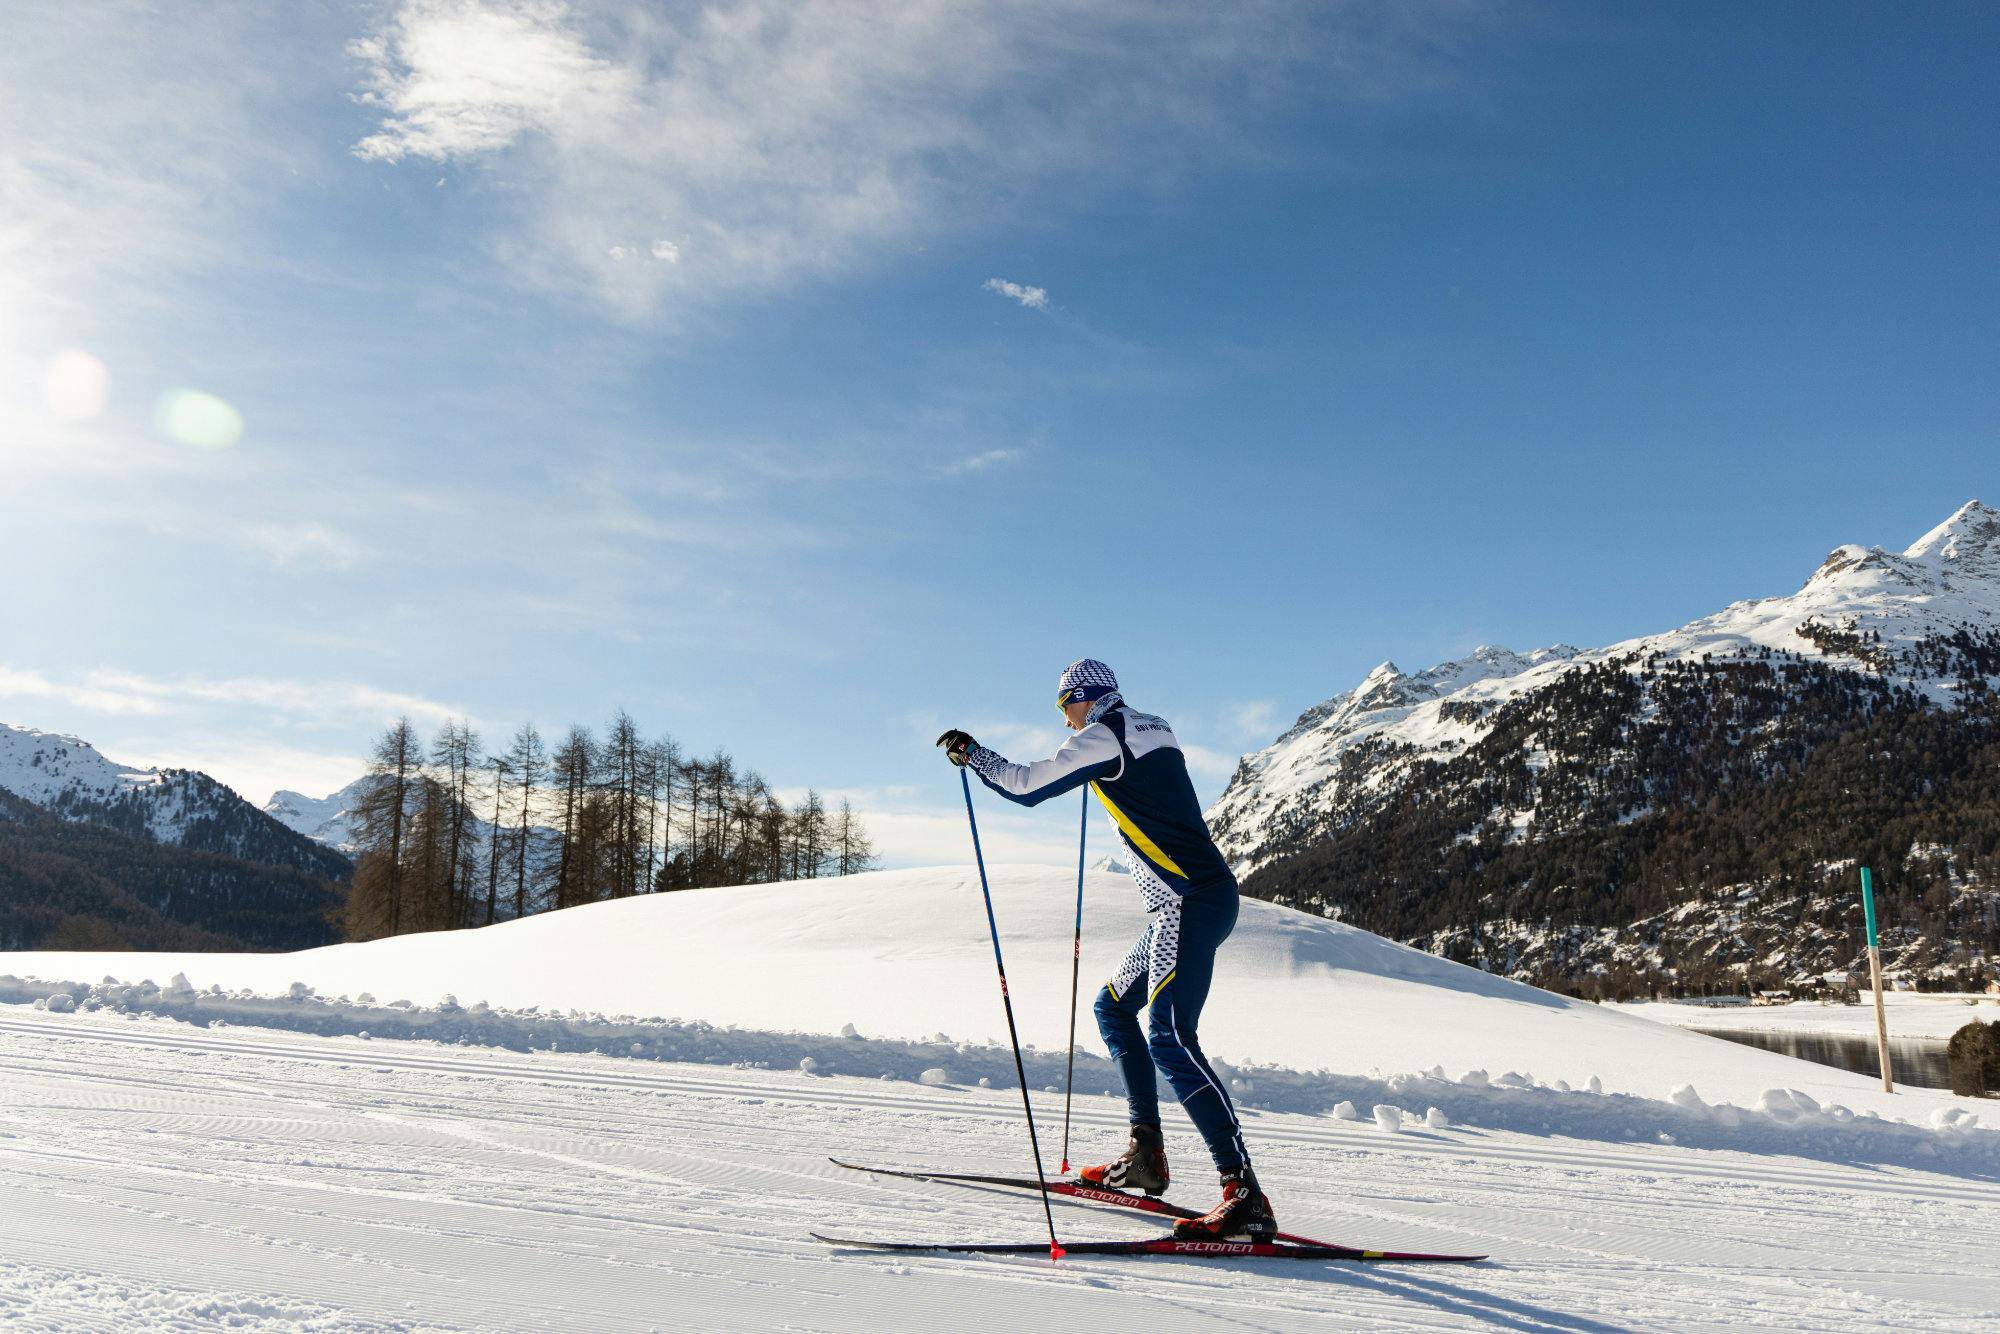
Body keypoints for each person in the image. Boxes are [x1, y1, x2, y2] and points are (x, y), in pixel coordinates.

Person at [936, 658, 1276, 1241]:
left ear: (1082, 698)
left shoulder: (1105, 736)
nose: (1065, 722)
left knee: (1170, 1038)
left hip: (1186, 904)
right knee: (1112, 1007)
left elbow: (1026, 785)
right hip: (1194, 901)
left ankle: (1243, 1192)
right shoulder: (1151, 726)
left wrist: (975, 754)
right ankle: (1146, 1155)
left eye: (1063, 707)